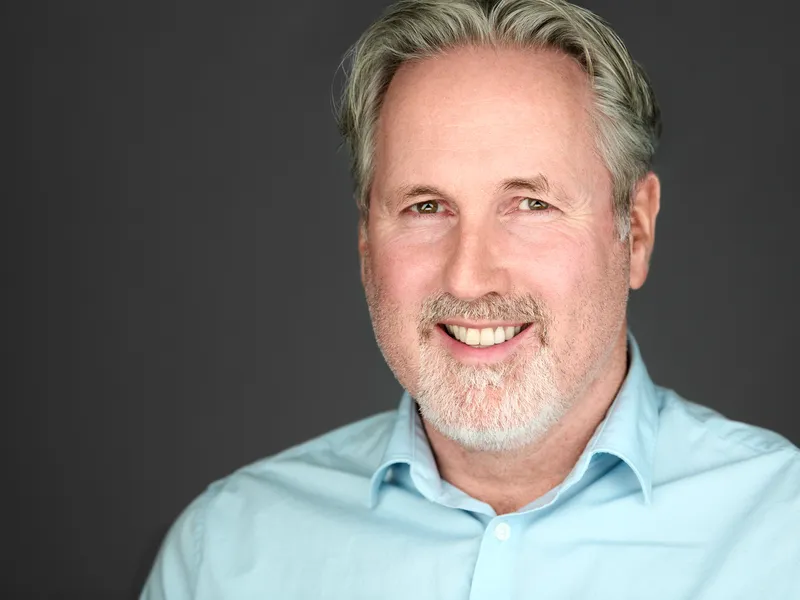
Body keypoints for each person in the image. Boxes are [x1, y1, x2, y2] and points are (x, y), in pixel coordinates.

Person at [141, 0, 800, 598]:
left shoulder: (780, 534)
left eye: (531, 205)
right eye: (427, 207)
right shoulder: (224, 557)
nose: (469, 277)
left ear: (636, 232)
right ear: (367, 243)